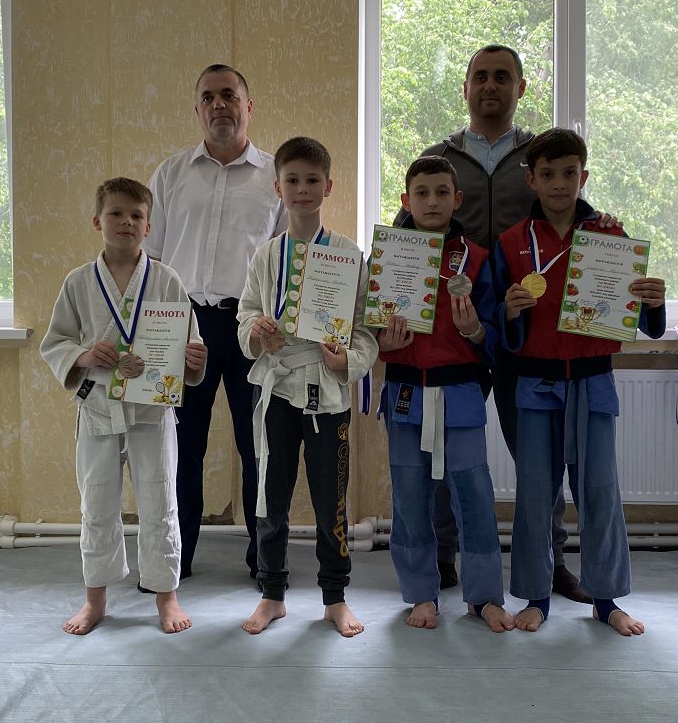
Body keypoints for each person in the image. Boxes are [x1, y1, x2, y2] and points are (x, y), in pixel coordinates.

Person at [397, 45, 612, 601]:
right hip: (455, 336)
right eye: (480, 76)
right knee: (442, 449)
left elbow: (573, 217)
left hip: (524, 331)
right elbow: (404, 239)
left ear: (521, 87)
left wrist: (606, 234)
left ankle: (550, 561)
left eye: (502, 77)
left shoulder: (537, 155)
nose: (490, 85)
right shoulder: (438, 157)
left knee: (540, 457)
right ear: (465, 87)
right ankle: (442, 557)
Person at [493, 128, 667, 636]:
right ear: (531, 179)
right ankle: (537, 597)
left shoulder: (610, 238)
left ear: (583, 176)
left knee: (600, 491)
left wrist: (653, 302)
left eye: (569, 173)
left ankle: (606, 600)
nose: (559, 183)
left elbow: (641, 319)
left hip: (592, 381)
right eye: (547, 174)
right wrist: (508, 311)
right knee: (535, 495)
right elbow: (496, 324)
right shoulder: (512, 242)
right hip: (535, 384)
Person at [40, 177, 208, 635]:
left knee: (160, 499)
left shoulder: (167, 280)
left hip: (151, 410)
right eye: (115, 213)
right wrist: (83, 355)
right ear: (98, 221)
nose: (126, 222)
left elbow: (189, 341)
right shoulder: (78, 282)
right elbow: (55, 341)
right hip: (98, 407)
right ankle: (94, 599)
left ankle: (166, 597)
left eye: (136, 215)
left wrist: (194, 358)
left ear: (148, 226)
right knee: (96, 503)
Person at [145, 64, 287, 580]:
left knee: (258, 447)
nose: (219, 104)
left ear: (249, 106)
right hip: (183, 328)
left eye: (229, 94)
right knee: (179, 448)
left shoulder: (275, 179)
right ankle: (173, 559)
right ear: (197, 109)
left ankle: (263, 560)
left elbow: (287, 263)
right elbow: (150, 262)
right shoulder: (170, 175)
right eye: (208, 97)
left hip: (251, 327)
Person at [236, 137, 378, 637]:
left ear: (328, 186)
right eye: (292, 180)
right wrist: (257, 331)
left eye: (312, 180)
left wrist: (347, 360)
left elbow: (364, 330)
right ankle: (271, 594)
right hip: (277, 390)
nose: (302, 189)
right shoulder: (264, 256)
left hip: (327, 392)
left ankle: (335, 597)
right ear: (278, 188)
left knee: (329, 501)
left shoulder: (347, 256)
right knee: (270, 497)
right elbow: (246, 313)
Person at [378, 156, 515, 633]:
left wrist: (475, 329)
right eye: (422, 193)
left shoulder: (477, 258)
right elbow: (362, 330)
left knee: (474, 493)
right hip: (404, 388)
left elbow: (497, 334)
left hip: (460, 388)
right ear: (406, 200)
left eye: (441, 192)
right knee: (409, 495)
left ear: (457, 199)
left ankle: (484, 596)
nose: (431, 201)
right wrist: (382, 343)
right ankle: (421, 593)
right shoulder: (386, 257)